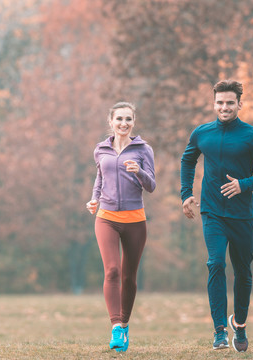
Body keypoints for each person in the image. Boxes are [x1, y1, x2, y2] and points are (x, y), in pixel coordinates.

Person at [180, 80, 253, 352]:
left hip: (241, 215)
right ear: (214, 104)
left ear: (239, 104)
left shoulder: (252, 135)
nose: (224, 107)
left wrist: (243, 184)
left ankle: (240, 325)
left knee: (243, 272)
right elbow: (188, 160)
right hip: (212, 212)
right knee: (215, 264)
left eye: (230, 103)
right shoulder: (202, 133)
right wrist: (186, 193)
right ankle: (219, 331)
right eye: (220, 103)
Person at [86, 101, 156, 353]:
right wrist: (94, 199)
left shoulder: (143, 149)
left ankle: (125, 323)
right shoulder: (101, 149)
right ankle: (116, 326)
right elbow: (99, 178)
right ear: (111, 122)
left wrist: (139, 171)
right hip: (106, 217)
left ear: (134, 121)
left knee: (129, 277)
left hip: (135, 219)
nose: (124, 124)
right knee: (112, 271)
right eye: (119, 119)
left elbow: (151, 185)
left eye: (128, 119)